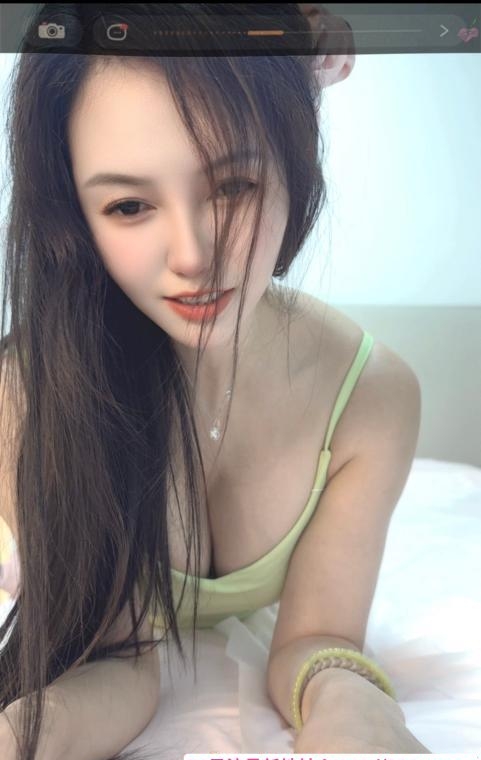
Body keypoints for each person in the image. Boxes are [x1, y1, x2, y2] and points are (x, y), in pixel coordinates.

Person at [0, 3, 429, 758]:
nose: (193, 255)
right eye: (129, 205)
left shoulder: (369, 397)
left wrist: (354, 712)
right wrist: (28, 733)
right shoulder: (28, 394)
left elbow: (319, 638)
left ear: (294, 165)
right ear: (76, 218)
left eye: (232, 187)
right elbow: (115, 657)